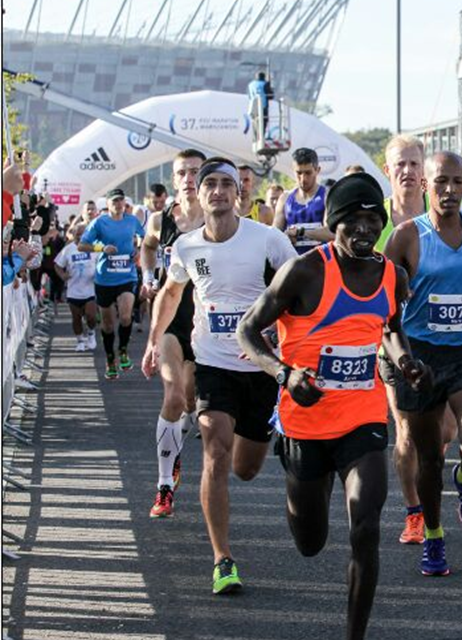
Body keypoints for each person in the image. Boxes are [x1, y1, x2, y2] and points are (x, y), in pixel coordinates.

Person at [238, 172, 431, 640]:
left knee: (365, 527)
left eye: (373, 220)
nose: (365, 229)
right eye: (353, 221)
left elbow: (389, 328)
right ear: (333, 223)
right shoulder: (304, 272)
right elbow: (247, 330)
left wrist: (406, 362)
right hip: (304, 424)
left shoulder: (392, 275)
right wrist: (284, 373)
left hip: (362, 419)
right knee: (310, 542)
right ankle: (317, 479)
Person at [142, 157, 297, 593]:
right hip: (212, 363)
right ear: (199, 190)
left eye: (226, 184)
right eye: (209, 183)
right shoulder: (187, 246)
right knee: (215, 451)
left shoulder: (268, 240)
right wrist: (153, 340)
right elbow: (172, 292)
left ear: (238, 192)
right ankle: (222, 559)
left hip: (261, 366)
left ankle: (271, 432)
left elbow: (299, 288)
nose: (217, 191)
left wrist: (282, 335)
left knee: (246, 468)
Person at [383, 150, 462, 577]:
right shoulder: (406, 237)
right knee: (429, 458)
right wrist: (400, 359)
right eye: (441, 182)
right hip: (421, 356)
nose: (450, 190)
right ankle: (434, 537)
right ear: (426, 185)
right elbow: (386, 309)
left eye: (458, 182)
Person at [375, 134, 453, 545]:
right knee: (406, 430)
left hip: (448, 340)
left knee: (446, 432)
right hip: (396, 340)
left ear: (425, 171)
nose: (407, 171)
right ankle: (415, 512)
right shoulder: (376, 221)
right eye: (399, 164)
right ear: (387, 170)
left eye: (414, 164)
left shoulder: (443, 213)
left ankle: (433, 475)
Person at [140, 148, 207, 518]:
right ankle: (164, 485)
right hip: (171, 321)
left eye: (195, 171)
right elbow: (148, 247)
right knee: (174, 394)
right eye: (182, 172)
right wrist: (149, 277)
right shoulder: (160, 219)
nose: (188, 179)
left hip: (206, 322)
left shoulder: (220, 219)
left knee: (191, 400)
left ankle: (176, 444)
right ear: (174, 177)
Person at [78, 188, 146, 379]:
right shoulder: (99, 222)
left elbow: (143, 236)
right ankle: (110, 359)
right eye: (114, 201)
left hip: (127, 276)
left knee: (125, 316)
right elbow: (81, 245)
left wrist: (139, 249)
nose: (118, 204)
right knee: (108, 325)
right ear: (107, 204)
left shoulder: (132, 220)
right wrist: (101, 248)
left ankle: (123, 350)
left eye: (121, 200)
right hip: (105, 278)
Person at [274, 148, 333, 254]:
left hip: (321, 260)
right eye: (299, 173)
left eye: (308, 173)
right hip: (293, 259)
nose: (303, 179)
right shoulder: (285, 198)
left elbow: (331, 233)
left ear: (317, 170)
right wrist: (286, 237)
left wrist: (301, 232)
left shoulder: (327, 196)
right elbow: (275, 235)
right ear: (293, 170)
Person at [53, 224, 97, 351]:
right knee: (76, 317)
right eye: (78, 234)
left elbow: (101, 263)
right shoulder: (68, 249)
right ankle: (80, 341)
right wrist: (63, 275)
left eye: (83, 234)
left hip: (90, 290)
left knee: (90, 315)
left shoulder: (93, 248)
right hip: (73, 291)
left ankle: (91, 333)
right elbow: (57, 265)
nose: (80, 237)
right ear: (73, 235)